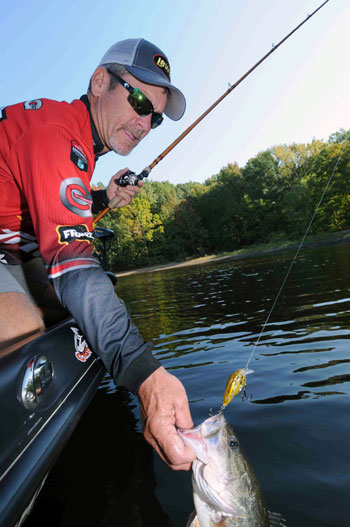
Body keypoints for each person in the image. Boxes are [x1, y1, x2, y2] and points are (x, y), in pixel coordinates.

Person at [0, 38, 195, 470]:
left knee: (89, 299)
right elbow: (72, 266)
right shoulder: (55, 132)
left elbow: (44, 203)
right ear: (99, 81)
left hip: (12, 250)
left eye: (156, 119)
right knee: (22, 332)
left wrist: (99, 196)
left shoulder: (81, 144)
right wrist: (147, 377)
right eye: (140, 100)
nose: (145, 124)